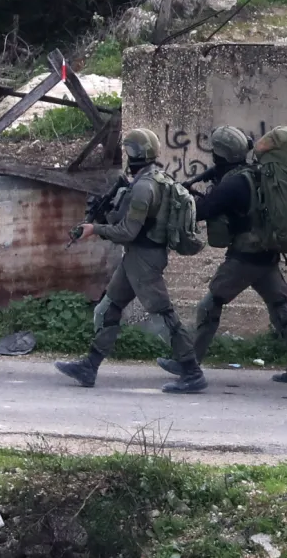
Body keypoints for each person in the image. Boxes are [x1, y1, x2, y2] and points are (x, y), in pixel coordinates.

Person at [55, 128, 207, 394]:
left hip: (144, 260)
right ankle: (89, 366)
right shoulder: (152, 179)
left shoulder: (144, 187)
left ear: (135, 154)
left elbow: (127, 232)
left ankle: (192, 372)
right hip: (136, 257)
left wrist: (96, 229)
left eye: (128, 151)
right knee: (110, 307)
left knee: (164, 313)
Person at [165, 125, 287, 384]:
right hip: (267, 254)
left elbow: (201, 211)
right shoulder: (259, 174)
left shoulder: (233, 183)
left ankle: (189, 364)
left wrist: (187, 197)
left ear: (220, 155)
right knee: (280, 308)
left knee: (210, 306)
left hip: (244, 258)